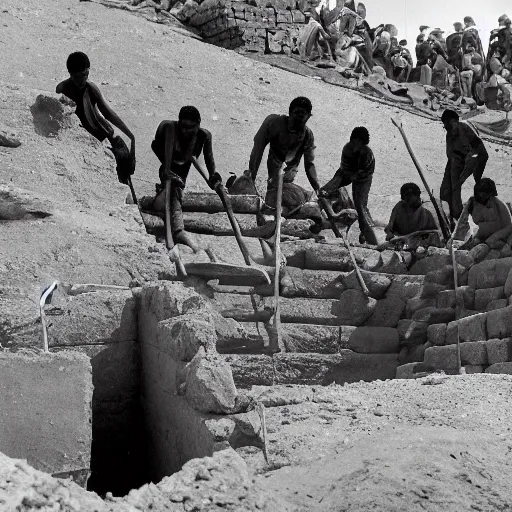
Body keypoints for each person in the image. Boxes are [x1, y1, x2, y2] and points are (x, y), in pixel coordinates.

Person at [56, 51, 135, 185]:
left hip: (101, 134)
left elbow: (108, 114)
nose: (83, 79)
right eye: (79, 76)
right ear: (71, 74)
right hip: (81, 136)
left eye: (86, 74)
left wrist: (131, 135)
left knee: (122, 157)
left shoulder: (91, 88)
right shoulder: (63, 89)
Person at [150, 106, 222, 252]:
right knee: (173, 192)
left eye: (191, 127)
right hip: (167, 161)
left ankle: (163, 200)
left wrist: (214, 181)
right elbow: (163, 153)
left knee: (176, 192)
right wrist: (167, 170)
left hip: (184, 167)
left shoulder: (204, 136)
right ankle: (179, 232)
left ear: (199, 124)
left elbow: (209, 164)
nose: (186, 131)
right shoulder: (170, 128)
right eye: (183, 126)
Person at [247, 97, 322, 227]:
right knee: (272, 197)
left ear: (309, 117)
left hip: (288, 175)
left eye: (303, 116)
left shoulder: (307, 136)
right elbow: (258, 149)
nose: (299, 119)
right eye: (296, 114)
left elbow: (309, 165)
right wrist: (251, 179)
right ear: (290, 113)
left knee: (286, 198)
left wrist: (319, 190)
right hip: (275, 167)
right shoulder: (273, 123)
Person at [319, 126, 378, 245]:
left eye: (359, 142)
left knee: (360, 205)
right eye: (354, 140)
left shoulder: (367, 154)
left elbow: (365, 172)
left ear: (364, 142)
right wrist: (334, 185)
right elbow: (345, 169)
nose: (356, 144)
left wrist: (356, 176)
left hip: (363, 179)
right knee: (324, 192)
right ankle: (327, 218)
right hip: (345, 172)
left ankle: (368, 233)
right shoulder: (347, 149)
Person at [440, 109, 488, 225]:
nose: (449, 129)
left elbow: (477, 154)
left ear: (455, 121)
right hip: (457, 158)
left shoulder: (466, 130)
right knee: (445, 190)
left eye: (450, 125)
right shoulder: (449, 134)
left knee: (461, 187)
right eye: (446, 127)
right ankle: (450, 216)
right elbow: (449, 155)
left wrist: (462, 178)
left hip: (475, 157)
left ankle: (462, 219)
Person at [460, 178, 512, 248]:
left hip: (499, 236)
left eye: (486, 195)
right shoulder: (472, 203)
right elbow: (462, 223)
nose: (483, 199)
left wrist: (490, 240)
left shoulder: (497, 205)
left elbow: (507, 227)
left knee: (489, 243)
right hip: (478, 237)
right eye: (481, 196)